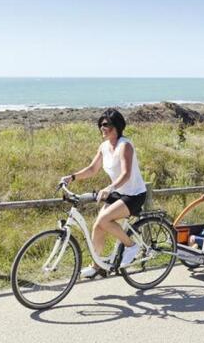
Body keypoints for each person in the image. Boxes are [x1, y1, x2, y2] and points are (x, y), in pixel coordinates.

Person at [60, 109, 147, 277]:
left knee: (104, 220)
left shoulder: (125, 146)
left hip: (134, 194)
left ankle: (131, 246)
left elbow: (126, 174)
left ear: (117, 126)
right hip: (118, 191)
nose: (102, 127)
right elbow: (92, 169)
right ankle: (96, 266)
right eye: (100, 124)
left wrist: (109, 188)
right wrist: (72, 177)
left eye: (106, 124)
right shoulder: (104, 147)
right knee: (98, 226)